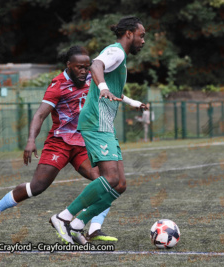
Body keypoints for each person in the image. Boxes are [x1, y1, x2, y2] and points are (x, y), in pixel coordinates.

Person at [0, 46, 116, 242]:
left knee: (106, 182)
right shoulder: (58, 85)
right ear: (68, 65)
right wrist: (30, 140)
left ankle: (94, 228)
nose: (84, 71)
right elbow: (40, 114)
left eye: (87, 67)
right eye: (79, 67)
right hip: (59, 143)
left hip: (82, 143)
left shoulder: (91, 79)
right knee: (37, 187)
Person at [50, 16, 147, 245]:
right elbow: (95, 65)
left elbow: (110, 88)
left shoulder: (118, 57)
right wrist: (102, 86)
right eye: (141, 35)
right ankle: (63, 218)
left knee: (120, 184)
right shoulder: (117, 52)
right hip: (96, 122)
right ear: (129, 34)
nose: (143, 40)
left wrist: (133, 103)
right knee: (110, 177)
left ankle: (77, 224)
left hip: (104, 124)